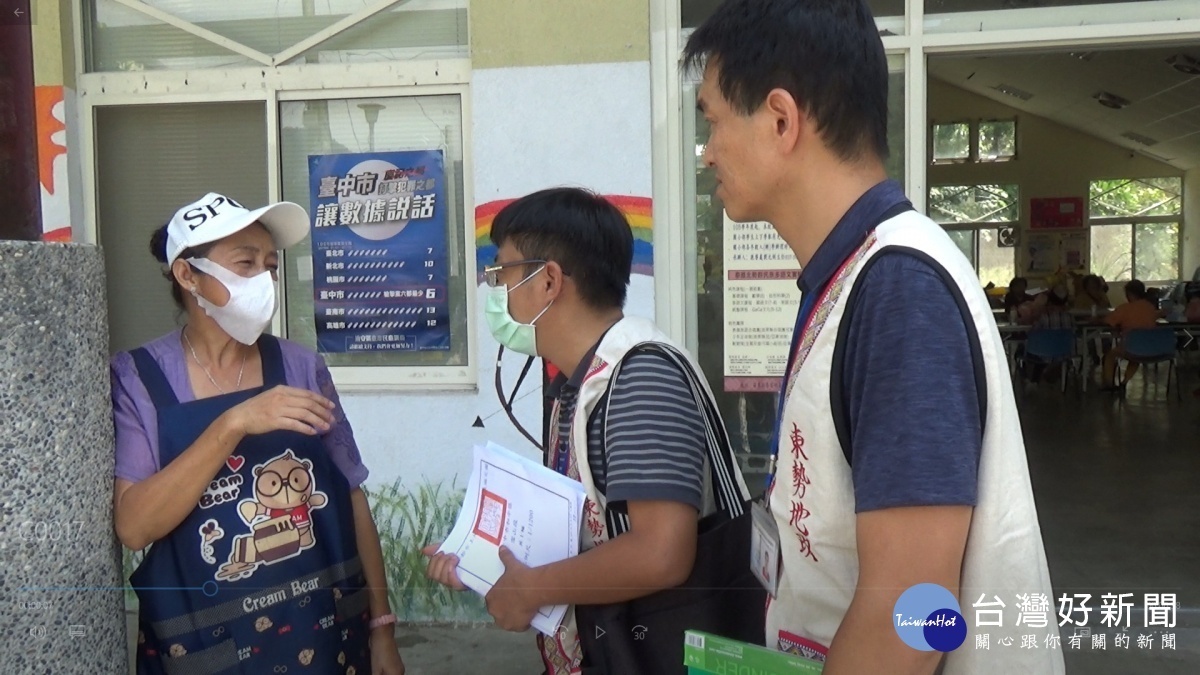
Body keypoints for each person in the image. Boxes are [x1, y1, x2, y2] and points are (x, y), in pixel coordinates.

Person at [684, 2, 1062, 674]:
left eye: (711, 119)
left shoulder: (897, 291)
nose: (706, 150)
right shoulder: (851, 274)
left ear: (780, 119)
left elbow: (910, 615)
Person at [422, 187, 752, 674]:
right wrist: (486, 563)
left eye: (501, 273)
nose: (495, 291)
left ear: (548, 281)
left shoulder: (640, 376)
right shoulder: (581, 382)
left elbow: (662, 553)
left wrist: (533, 589)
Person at [111, 193, 405, 674]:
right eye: (244, 263)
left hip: (324, 635)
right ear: (188, 276)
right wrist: (233, 424)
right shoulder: (137, 378)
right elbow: (135, 526)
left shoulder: (300, 366)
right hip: (208, 644)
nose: (265, 280)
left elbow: (352, 498)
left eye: (270, 265)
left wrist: (383, 631)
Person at [1100, 279, 1162, 391]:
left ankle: (1109, 384)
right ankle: (1124, 382)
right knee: (1136, 357)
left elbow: (1107, 321)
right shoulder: (1150, 307)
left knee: (1110, 355)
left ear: (1129, 293)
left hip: (1129, 346)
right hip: (1151, 347)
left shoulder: (1125, 308)